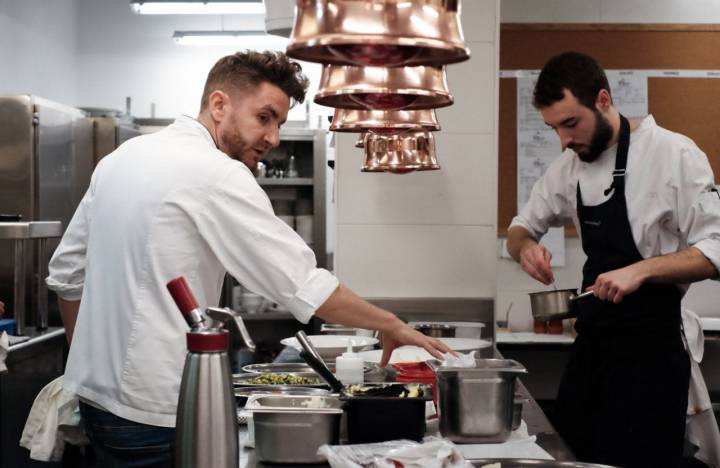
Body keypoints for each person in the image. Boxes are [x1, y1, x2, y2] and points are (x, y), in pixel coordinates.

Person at [46, 50, 451, 467]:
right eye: (265, 117)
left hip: (95, 403)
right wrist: (391, 324)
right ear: (219, 105)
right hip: (156, 411)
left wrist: (93, 364)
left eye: (279, 123)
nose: (273, 138)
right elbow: (303, 285)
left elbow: (66, 275)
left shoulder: (120, 159)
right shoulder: (216, 173)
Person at [506, 51, 720, 468]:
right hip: (593, 347)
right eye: (554, 128)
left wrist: (641, 270)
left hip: (652, 354)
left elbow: (714, 251)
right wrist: (525, 248)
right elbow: (519, 228)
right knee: (568, 455)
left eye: (570, 124)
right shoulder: (570, 167)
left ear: (603, 100)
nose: (564, 141)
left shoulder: (674, 154)